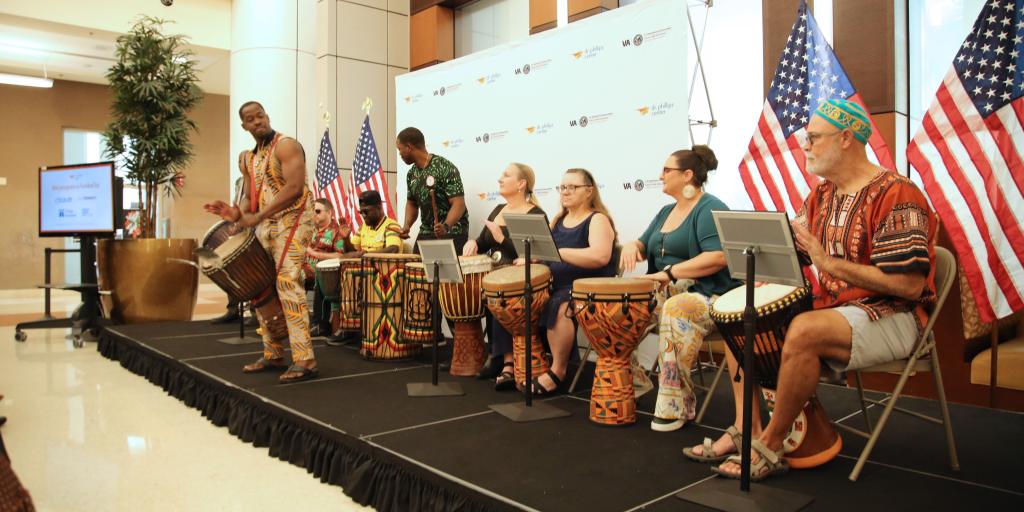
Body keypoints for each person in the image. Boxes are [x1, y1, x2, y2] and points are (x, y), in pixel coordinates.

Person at [707, 99, 936, 481]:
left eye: (813, 137)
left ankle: (772, 445)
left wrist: (827, 263)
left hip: (893, 316)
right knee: (746, 320)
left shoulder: (897, 194)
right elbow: (795, 250)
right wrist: (767, 272)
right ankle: (747, 429)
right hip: (834, 310)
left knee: (804, 331)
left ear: (847, 138)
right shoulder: (821, 196)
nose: (805, 145)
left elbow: (909, 285)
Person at [619, 146, 741, 432]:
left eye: (666, 170)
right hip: (666, 291)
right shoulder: (665, 211)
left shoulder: (709, 208)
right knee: (619, 308)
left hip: (709, 295)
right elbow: (643, 243)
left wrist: (669, 273)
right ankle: (632, 381)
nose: (660, 176)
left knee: (676, 309)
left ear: (687, 175)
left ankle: (676, 405)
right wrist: (630, 245)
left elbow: (717, 257)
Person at [204, 101, 319, 383]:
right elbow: (248, 197)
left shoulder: (286, 145)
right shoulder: (247, 159)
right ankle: (273, 353)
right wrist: (238, 214)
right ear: (244, 125)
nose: (258, 122)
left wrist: (259, 215)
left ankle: (305, 358)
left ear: (267, 116)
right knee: (260, 285)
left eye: (260, 116)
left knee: (287, 281)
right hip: (266, 224)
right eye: (250, 119)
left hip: (294, 219)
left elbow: (294, 188)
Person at [525, 168, 617, 395]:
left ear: (589, 191)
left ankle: (558, 371)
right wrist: (532, 257)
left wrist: (559, 252)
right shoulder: (559, 219)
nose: (565, 192)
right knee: (525, 298)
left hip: (586, 287)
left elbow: (600, 256)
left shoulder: (597, 219)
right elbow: (547, 252)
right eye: (562, 187)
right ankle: (521, 365)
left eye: (572, 187)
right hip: (558, 284)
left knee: (558, 305)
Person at [463, 163, 545, 388]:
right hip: (495, 276)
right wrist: (473, 242)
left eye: (506, 175)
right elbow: (482, 241)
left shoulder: (534, 214)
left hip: (521, 280)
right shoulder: (498, 209)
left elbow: (537, 255)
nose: (500, 179)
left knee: (502, 295)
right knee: (494, 292)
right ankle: (498, 355)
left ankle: (508, 362)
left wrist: (502, 239)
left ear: (521, 184)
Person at [396, 127, 470, 254]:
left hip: (452, 231)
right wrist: (407, 226)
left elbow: (459, 203)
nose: (400, 154)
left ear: (409, 147)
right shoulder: (411, 174)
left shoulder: (444, 167)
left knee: (444, 273)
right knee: (416, 270)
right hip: (427, 232)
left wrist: (446, 226)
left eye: (400, 149)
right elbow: (412, 203)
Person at [303, 198, 352, 338]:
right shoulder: (310, 230)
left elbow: (340, 255)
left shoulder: (337, 232)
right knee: (285, 276)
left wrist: (314, 254)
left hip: (322, 272)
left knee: (316, 275)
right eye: (313, 211)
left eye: (318, 211)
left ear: (329, 212)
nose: (314, 214)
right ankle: (291, 320)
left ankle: (320, 324)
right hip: (304, 267)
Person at [344, 190, 403, 257]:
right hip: (365, 266)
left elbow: (393, 249)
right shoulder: (363, 227)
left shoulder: (391, 226)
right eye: (361, 212)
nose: (363, 215)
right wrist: (346, 239)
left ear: (379, 208)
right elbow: (352, 253)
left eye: (366, 211)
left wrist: (365, 254)